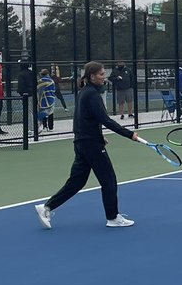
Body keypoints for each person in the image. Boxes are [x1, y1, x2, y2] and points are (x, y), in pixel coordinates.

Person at [34, 61, 142, 231]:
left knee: (76, 182)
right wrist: (130, 135)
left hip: (82, 143)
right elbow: (105, 120)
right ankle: (113, 217)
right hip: (90, 145)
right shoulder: (91, 94)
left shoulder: (84, 92)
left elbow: (84, 119)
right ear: (92, 76)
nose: (103, 77)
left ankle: (46, 207)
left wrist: (98, 136)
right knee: (109, 180)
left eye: (104, 74)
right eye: (101, 74)